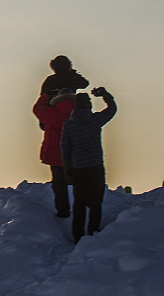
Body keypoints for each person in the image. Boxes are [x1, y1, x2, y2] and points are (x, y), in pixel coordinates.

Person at [61, 87, 117, 243]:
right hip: (95, 167)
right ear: (89, 105)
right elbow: (112, 109)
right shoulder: (95, 120)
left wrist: (67, 166)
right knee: (95, 202)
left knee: (78, 203)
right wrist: (105, 94)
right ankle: (93, 231)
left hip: (78, 168)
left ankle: (77, 235)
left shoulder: (69, 125)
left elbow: (65, 146)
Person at [33, 88, 76, 217]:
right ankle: (80, 211)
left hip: (55, 155)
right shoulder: (78, 113)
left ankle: (63, 212)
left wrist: (45, 95)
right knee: (78, 183)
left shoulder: (52, 113)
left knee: (59, 184)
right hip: (75, 156)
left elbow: (37, 109)